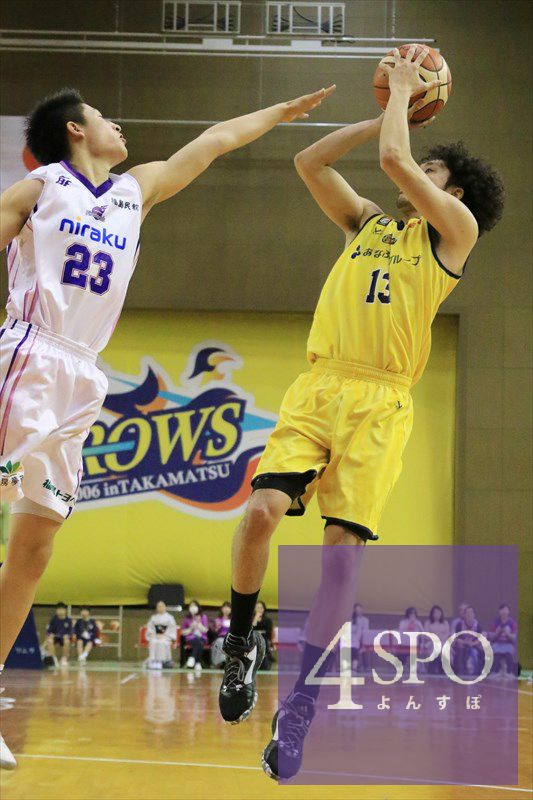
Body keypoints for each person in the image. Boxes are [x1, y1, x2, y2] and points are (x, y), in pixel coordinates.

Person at [0, 82, 335, 770]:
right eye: (102, 116)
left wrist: (277, 112)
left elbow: (213, 142)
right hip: (31, 354)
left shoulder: (135, 190)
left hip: (84, 376)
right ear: (74, 130)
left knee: (35, 546)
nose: (117, 123)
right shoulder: (39, 189)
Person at [218, 46, 504, 782]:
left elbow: (395, 163)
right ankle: (240, 641)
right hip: (322, 386)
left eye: (431, 170)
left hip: (381, 403)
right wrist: (383, 113)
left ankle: (302, 704)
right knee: (260, 513)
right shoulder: (368, 224)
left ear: (453, 191)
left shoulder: (455, 235)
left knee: (342, 555)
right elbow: (309, 161)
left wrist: (401, 101)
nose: (413, 172)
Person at [453, 605, 484, 677]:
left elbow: (480, 639)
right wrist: (466, 643)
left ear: (474, 614)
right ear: (464, 615)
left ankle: (479, 671)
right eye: (467, 612)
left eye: (471, 612)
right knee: (460, 649)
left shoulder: (478, 625)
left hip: (474, 644)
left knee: (482, 649)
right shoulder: (459, 625)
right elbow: (457, 638)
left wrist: (473, 644)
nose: (469, 614)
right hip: (463, 644)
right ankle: (461, 671)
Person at [145, 600, 177, 670]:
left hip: (166, 638)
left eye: (162, 606)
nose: (160, 608)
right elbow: (150, 628)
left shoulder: (170, 618)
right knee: (153, 642)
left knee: (162, 642)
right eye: (159, 606)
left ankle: (163, 662)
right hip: (155, 636)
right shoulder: (153, 618)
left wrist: (164, 636)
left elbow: (172, 629)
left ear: (165, 607)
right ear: (157, 608)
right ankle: (153, 662)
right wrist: (154, 634)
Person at [488, 604, 517, 679]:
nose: (504, 612)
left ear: (508, 612)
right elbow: (492, 638)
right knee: (496, 656)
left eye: (506, 610)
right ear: (499, 611)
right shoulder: (495, 622)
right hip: (497, 644)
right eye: (502, 610)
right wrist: (498, 631)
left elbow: (514, 638)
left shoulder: (512, 623)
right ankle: (495, 672)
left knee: (509, 656)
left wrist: (507, 633)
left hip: (508, 644)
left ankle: (510, 672)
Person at [181, 601, 209, 673]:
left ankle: (192, 657)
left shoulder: (203, 617)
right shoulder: (186, 618)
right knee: (198, 642)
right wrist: (191, 628)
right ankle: (198, 663)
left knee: (200, 641)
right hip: (191, 638)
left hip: (202, 637)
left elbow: (205, 630)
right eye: (191, 606)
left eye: (195, 605)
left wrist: (199, 623)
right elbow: (183, 632)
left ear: (198, 607)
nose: (193, 607)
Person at [424, 605, 450, 674]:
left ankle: (442, 669)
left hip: (443, 641)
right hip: (431, 642)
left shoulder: (445, 623)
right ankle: (433, 669)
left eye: (438, 612)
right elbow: (426, 635)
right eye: (435, 612)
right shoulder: (428, 623)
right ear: (432, 614)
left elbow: (447, 634)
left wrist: (440, 639)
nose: (437, 614)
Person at [45, 602, 72, 667]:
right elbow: (49, 631)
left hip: (64, 638)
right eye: (59, 609)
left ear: (65, 610)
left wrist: (67, 635)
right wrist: (50, 634)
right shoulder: (53, 619)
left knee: (67, 641)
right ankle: (53, 659)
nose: (60, 611)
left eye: (62, 609)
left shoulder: (68, 620)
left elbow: (71, 631)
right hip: (55, 638)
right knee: (49, 641)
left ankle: (64, 659)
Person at [252, 601, 274, 670]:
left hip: (264, 639)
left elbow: (268, 632)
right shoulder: (251, 619)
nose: (259, 609)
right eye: (257, 607)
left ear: (264, 609)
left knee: (263, 640)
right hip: (253, 640)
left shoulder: (268, 620)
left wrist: (257, 632)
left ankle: (265, 660)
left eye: (261, 608)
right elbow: (250, 630)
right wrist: (255, 618)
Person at [211, 602, 231, 668]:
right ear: (222, 609)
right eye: (225, 607)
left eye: (228, 607)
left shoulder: (233, 620)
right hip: (220, 638)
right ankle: (220, 662)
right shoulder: (217, 620)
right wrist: (217, 628)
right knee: (221, 642)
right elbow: (214, 633)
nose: (226, 609)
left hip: (230, 638)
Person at [351, 603, 370, 672]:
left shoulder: (365, 620)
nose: (358, 611)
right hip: (351, 639)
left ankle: (365, 667)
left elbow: (365, 632)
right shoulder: (351, 619)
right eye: (357, 610)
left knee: (363, 648)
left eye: (360, 609)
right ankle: (354, 666)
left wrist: (361, 641)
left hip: (361, 639)